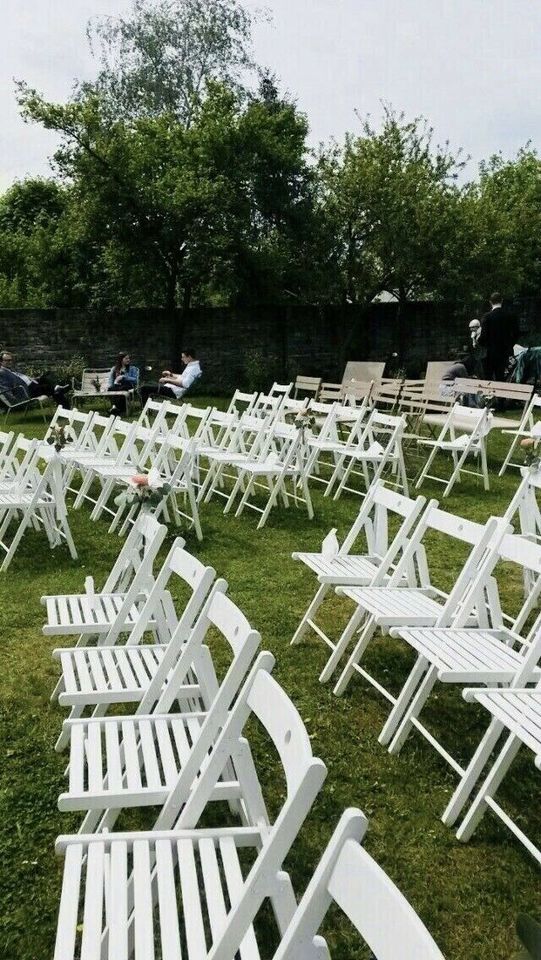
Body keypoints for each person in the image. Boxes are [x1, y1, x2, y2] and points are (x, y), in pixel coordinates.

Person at [0, 350, 70, 407]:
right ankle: (60, 392)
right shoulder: (2, 373)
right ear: (1, 361)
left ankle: (57, 388)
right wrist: (14, 401)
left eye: (10, 360)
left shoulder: (10, 370)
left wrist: (34, 379)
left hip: (33, 384)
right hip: (28, 390)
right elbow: (5, 388)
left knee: (48, 374)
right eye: (7, 360)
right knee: (51, 388)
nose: (10, 362)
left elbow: (21, 379)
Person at [479, 292, 519, 381]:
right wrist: (510, 345)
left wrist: (480, 342)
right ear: (502, 301)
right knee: (502, 379)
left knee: (488, 380)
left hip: (489, 353)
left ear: (490, 302)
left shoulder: (487, 317)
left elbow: (483, 336)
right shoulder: (510, 316)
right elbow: (516, 334)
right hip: (505, 353)